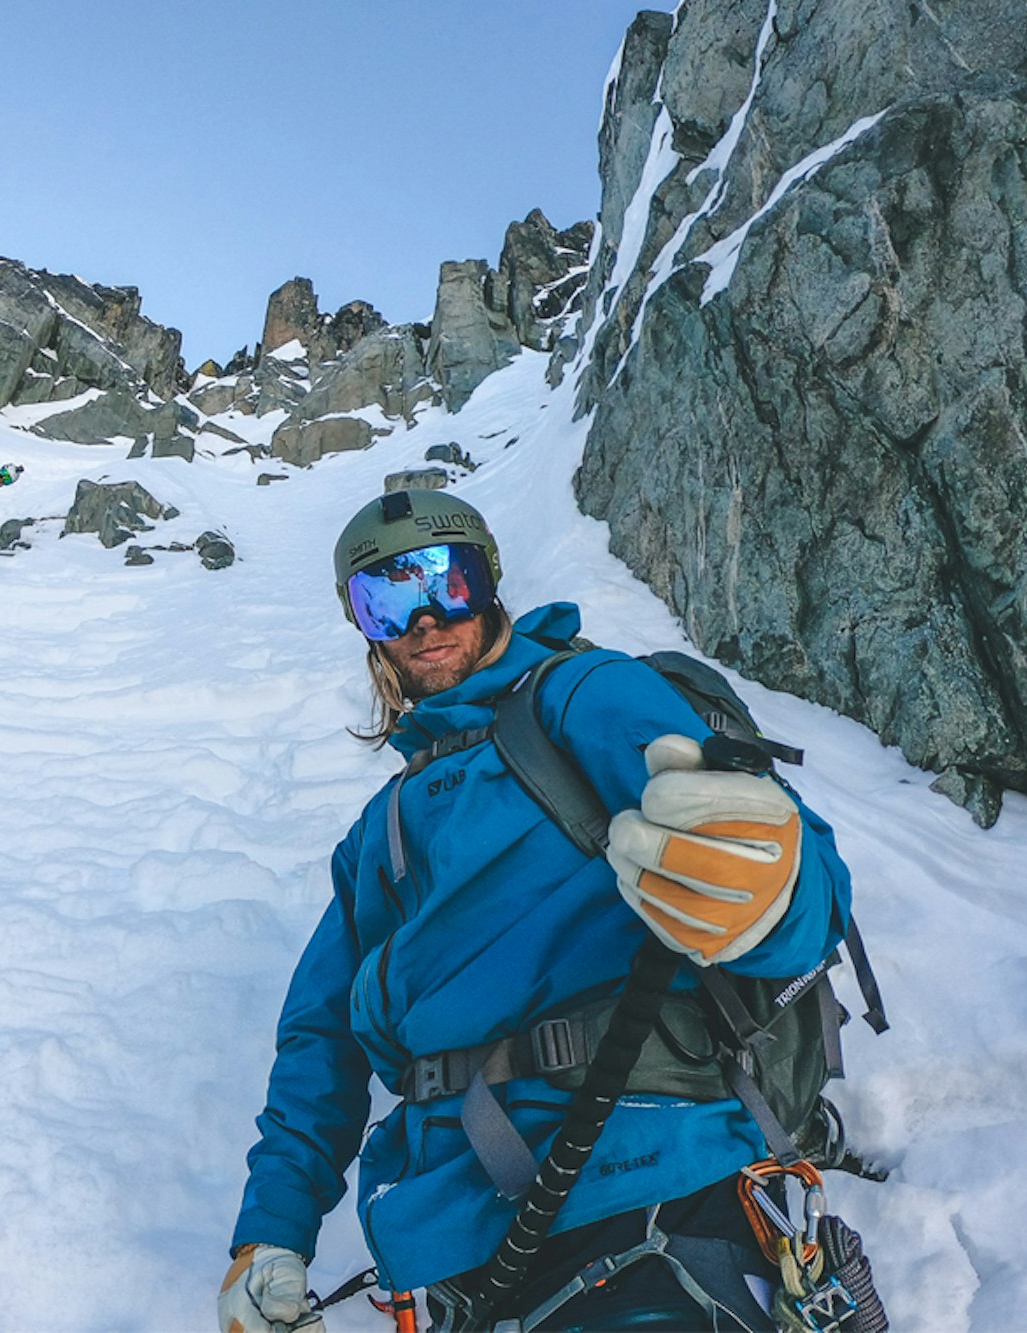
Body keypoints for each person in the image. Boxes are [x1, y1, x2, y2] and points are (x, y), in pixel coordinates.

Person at [221, 490, 863, 1333]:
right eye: (386, 599)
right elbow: (320, 1040)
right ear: (366, 629)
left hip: (644, 1177)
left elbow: (769, 851)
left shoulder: (583, 695)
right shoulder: (375, 836)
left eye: (447, 581)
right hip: (456, 1252)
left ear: (488, 583)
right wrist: (270, 1231)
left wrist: (771, 891)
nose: (422, 619)